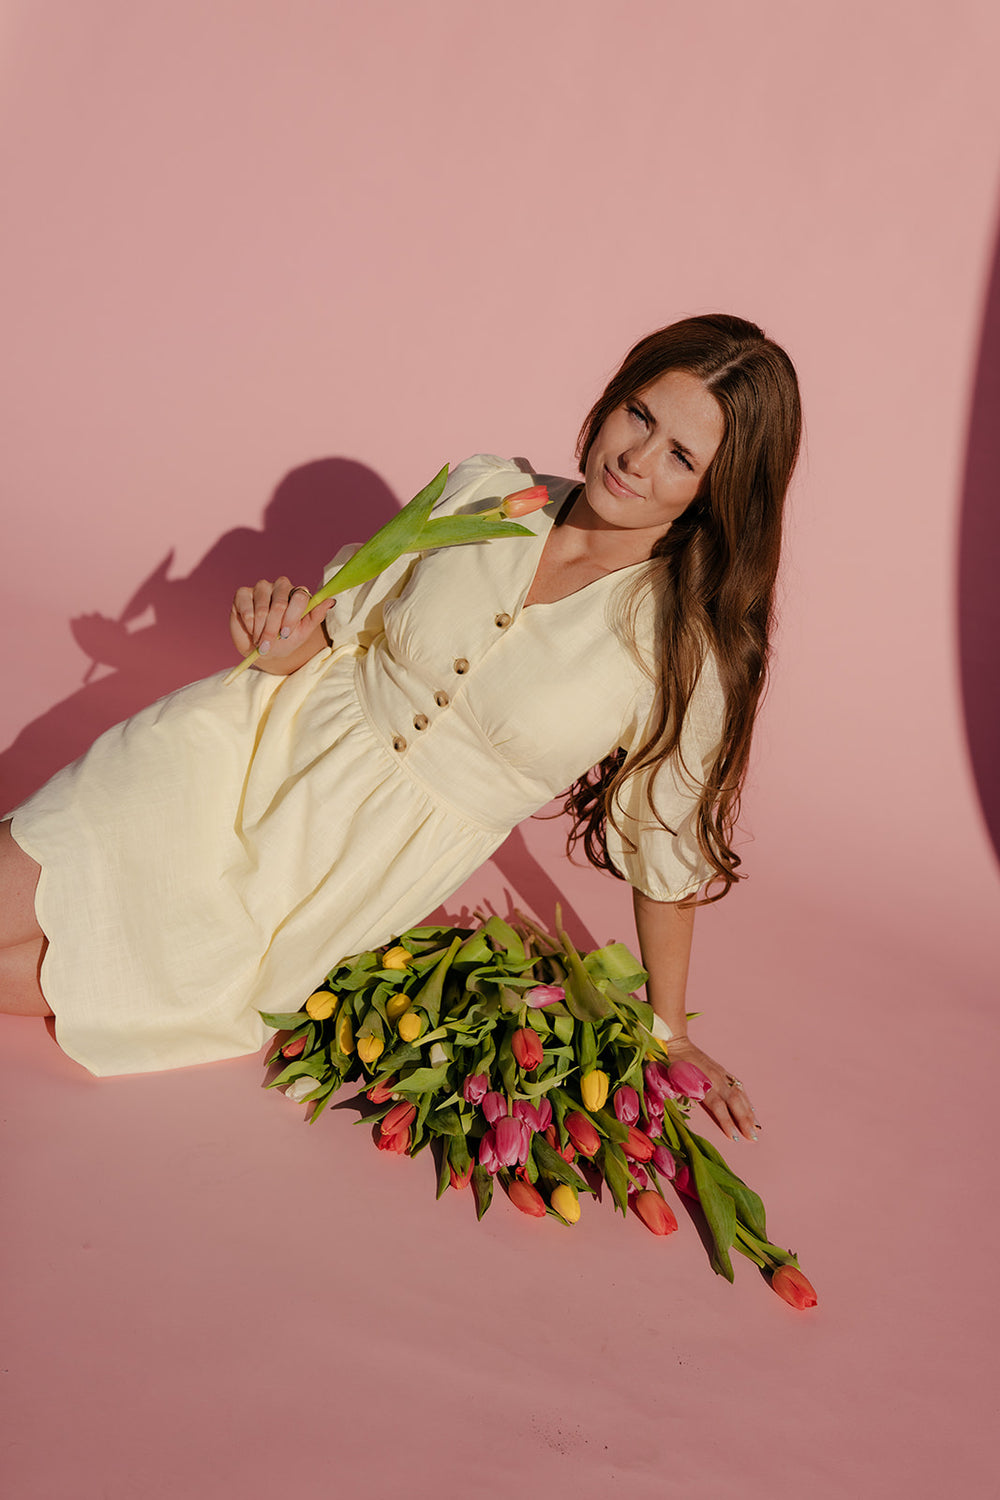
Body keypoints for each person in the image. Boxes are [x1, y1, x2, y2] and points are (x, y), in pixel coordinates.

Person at [0, 313, 801, 1146]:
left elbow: (665, 854)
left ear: (717, 492)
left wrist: (670, 1030)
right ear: (614, 398)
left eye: (681, 457)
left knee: (76, 977)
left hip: (344, 873)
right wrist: (274, 638)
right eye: (639, 415)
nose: (637, 458)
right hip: (239, 756)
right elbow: (331, 634)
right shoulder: (492, 494)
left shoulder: (681, 651)